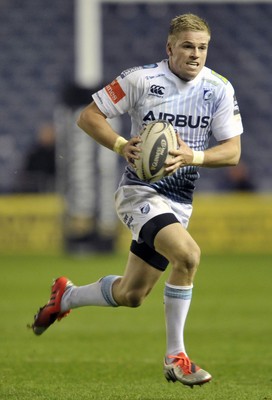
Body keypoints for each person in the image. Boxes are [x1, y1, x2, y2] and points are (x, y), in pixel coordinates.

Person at [29, 13, 243, 388]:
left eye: (202, 47)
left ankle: (66, 297)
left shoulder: (219, 88)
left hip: (180, 201)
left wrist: (191, 156)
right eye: (188, 46)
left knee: (132, 294)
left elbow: (232, 152)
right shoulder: (140, 78)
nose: (195, 54)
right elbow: (88, 116)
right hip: (139, 192)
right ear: (170, 48)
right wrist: (120, 144)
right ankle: (176, 357)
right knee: (188, 255)